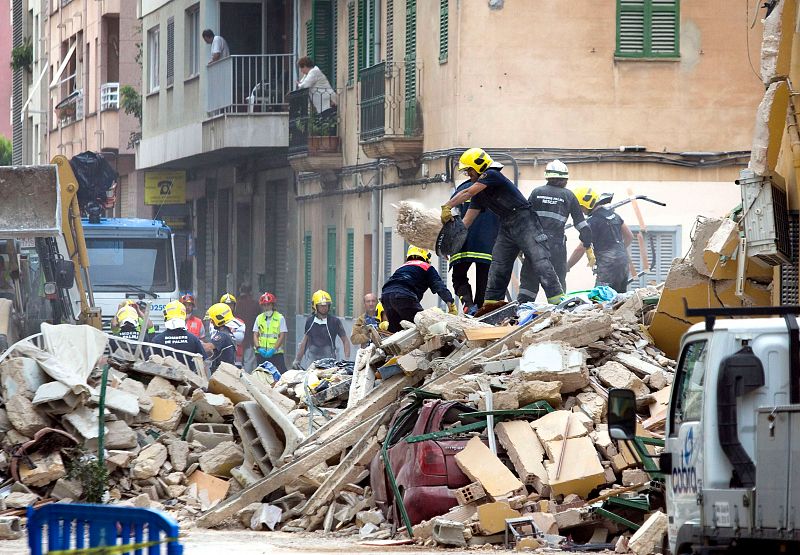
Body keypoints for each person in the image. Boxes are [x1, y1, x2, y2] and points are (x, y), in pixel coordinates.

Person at [442, 148, 564, 305]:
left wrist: (447, 206)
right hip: (506, 224)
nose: (468, 175)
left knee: (539, 260)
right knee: (498, 265)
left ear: (479, 166)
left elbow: (467, 193)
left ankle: (557, 299)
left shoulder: (492, 174)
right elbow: (466, 222)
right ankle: (492, 305)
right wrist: (449, 245)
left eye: (469, 171)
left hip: (524, 220)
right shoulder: (480, 194)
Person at [528, 160, 594, 294]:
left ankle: (523, 309)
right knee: (557, 281)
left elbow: (523, 220)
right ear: (565, 179)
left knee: (529, 281)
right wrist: (588, 248)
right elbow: (583, 226)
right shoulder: (568, 196)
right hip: (556, 246)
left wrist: (521, 244)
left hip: (534, 244)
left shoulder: (536, 192)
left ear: (548, 176)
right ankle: (558, 310)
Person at [449, 167, 500, 314]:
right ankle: (480, 312)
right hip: (488, 246)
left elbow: (452, 218)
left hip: (462, 244)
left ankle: (468, 305)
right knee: (484, 282)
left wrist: (448, 244)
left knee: (458, 277)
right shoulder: (496, 190)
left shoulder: (462, 189)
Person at [567, 186, 634, 293]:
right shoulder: (614, 215)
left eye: (581, 207)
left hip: (608, 266)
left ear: (587, 204)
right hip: (623, 262)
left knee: (601, 298)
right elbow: (629, 236)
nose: (581, 211)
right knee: (620, 299)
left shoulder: (592, 222)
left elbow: (580, 248)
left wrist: (568, 265)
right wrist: (618, 251)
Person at [381, 246, 457, 333]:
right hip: (404, 296)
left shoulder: (402, 267)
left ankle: (387, 327)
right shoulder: (427, 267)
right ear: (425, 256)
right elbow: (440, 287)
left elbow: (394, 285)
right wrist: (451, 304)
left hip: (386, 296)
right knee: (422, 324)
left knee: (396, 331)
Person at [294, 290, 351, 369]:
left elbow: (345, 340)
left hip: (329, 358)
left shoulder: (335, 321)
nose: (324, 308)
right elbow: (304, 342)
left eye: (326, 305)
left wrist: (346, 359)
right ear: (315, 306)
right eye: (321, 306)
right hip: (312, 357)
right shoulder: (310, 321)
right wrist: (297, 360)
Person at [149, 301, 207, 372]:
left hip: (163, 380)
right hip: (188, 380)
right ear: (184, 317)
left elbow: (148, 362)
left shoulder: (157, 340)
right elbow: (203, 361)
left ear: (165, 316)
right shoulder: (193, 339)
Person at [253, 292, 288, 375]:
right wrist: (258, 348)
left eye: (268, 305)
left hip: (275, 353)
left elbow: (282, 336)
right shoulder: (259, 318)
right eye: (264, 305)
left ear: (272, 305)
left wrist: (273, 349)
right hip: (261, 353)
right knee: (261, 375)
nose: (266, 307)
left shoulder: (280, 318)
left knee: (281, 375)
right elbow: (255, 334)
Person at [236, 284, 262, 372]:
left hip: (236, 338)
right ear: (250, 293)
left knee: (236, 362)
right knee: (249, 361)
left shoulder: (236, 304)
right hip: (250, 338)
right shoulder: (255, 304)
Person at [215, 293, 246, 366]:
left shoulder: (240, 322)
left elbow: (239, 339)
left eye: (231, 305)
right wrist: (231, 334)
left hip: (236, 359)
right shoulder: (214, 321)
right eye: (226, 305)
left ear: (234, 307)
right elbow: (215, 337)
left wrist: (223, 335)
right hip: (220, 357)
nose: (228, 307)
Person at [205, 303, 237, 372]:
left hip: (224, 374)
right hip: (227, 372)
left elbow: (208, 347)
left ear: (219, 318)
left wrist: (192, 342)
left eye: (212, 320)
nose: (211, 322)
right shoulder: (227, 332)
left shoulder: (222, 335)